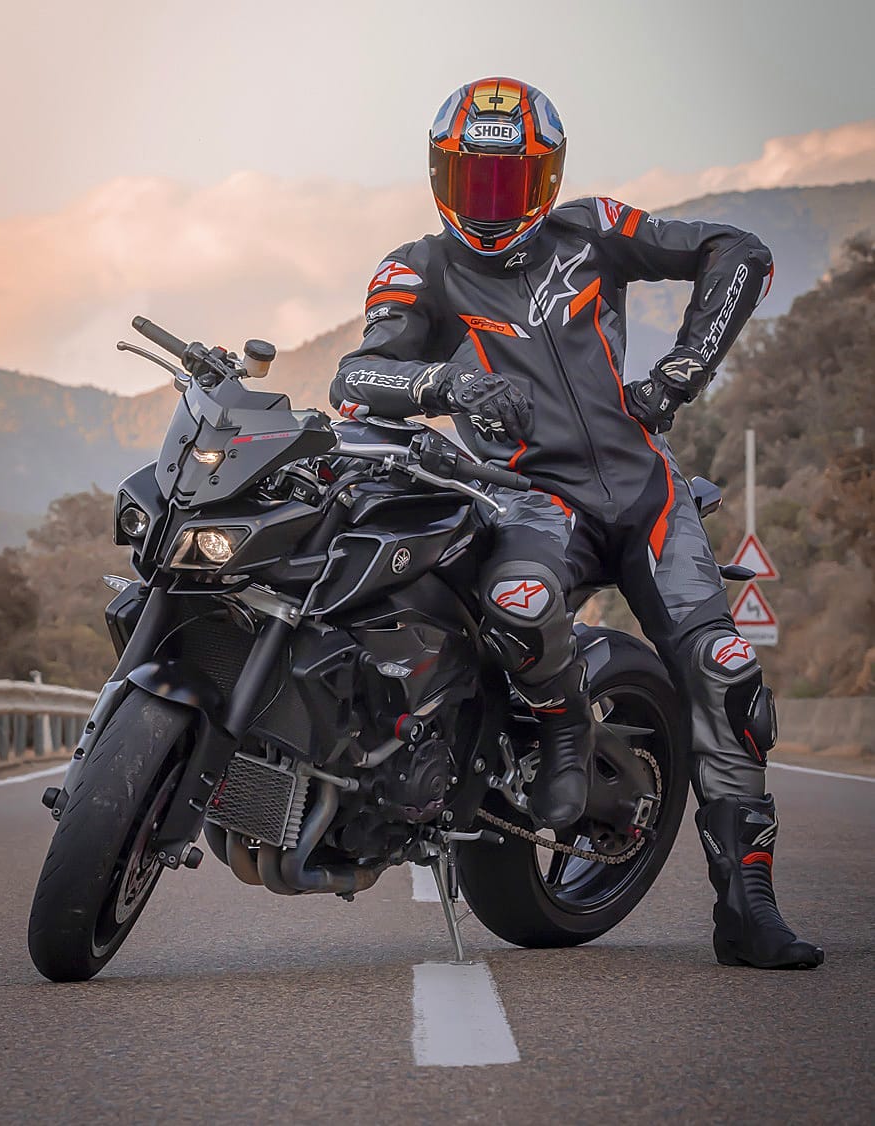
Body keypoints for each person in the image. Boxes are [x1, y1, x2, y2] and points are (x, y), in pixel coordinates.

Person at [330, 77, 823, 969]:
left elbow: (739, 252)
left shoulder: (595, 227)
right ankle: (561, 722)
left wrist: (681, 372)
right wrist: (447, 383)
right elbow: (355, 378)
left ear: (547, 178)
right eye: (472, 179)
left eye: (510, 180)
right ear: (440, 174)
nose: (491, 200)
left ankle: (749, 909)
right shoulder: (417, 267)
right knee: (518, 604)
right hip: (534, 501)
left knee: (728, 676)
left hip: (648, 495)